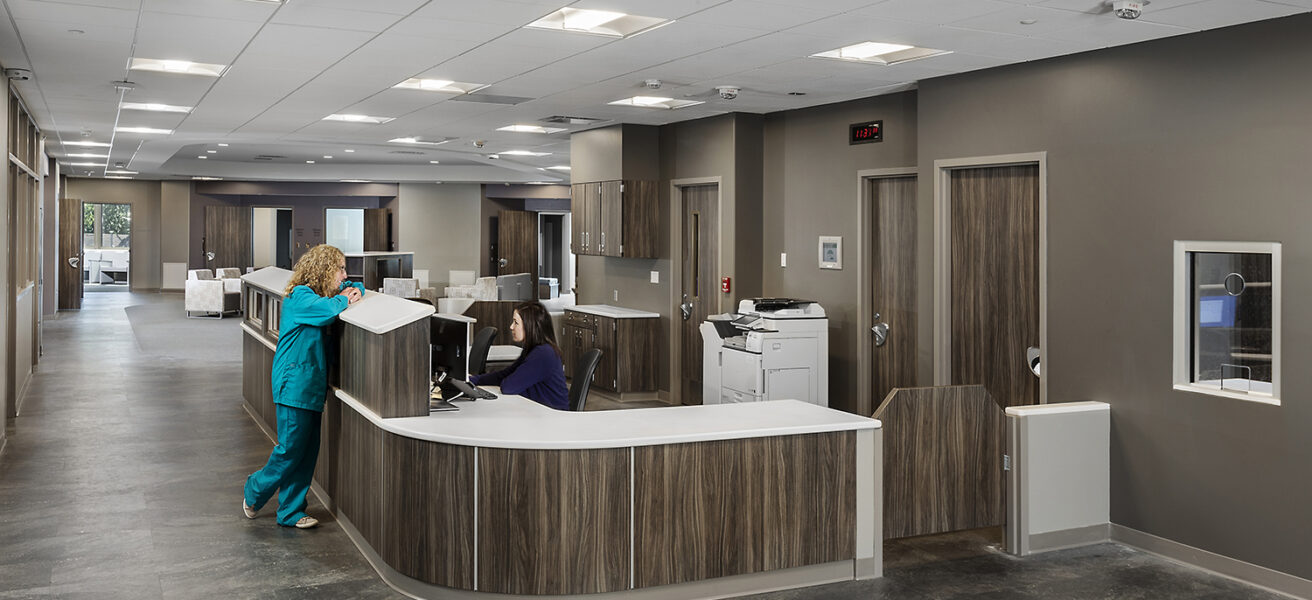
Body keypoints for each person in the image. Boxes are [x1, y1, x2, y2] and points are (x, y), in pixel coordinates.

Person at [243, 244, 364, 528]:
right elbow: (327, 311)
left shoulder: (324, 293)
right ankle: (253, 490)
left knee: (307, 451)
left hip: (311, 385)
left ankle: (291, 511)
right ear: (324, 270)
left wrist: (354, 289)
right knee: (290, 450)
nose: (344, 275)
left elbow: (352, 287)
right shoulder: (300, 297)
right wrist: (346, 298)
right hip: (293, 384)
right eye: (340, 268)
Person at [470, 301, 569, 410]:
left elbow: (508, 387)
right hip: (538, 411)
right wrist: (473, 380)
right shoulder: (533, 349)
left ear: (529, 325)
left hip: (553, 417)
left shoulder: (543, 354)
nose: (511, 327)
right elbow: (504, 375)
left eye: (516, 322)